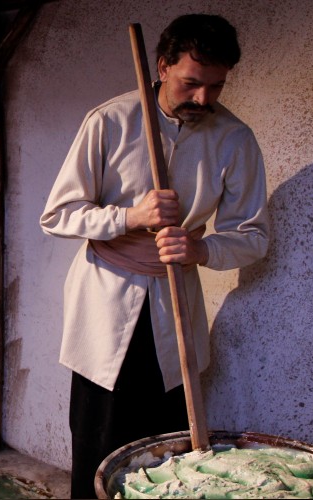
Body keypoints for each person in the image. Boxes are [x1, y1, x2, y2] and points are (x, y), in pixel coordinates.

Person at [39, 14, 270, 498]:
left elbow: (252, 235)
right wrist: (128, 217)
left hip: (174, 307)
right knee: (98, 446)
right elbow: (58, 215)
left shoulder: (235, 139)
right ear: (163, 66)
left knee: (167, 452)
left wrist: (202, 248)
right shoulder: (109, 121)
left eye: (216, 86)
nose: (204, 99)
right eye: (191, 83)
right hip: (104, 307)